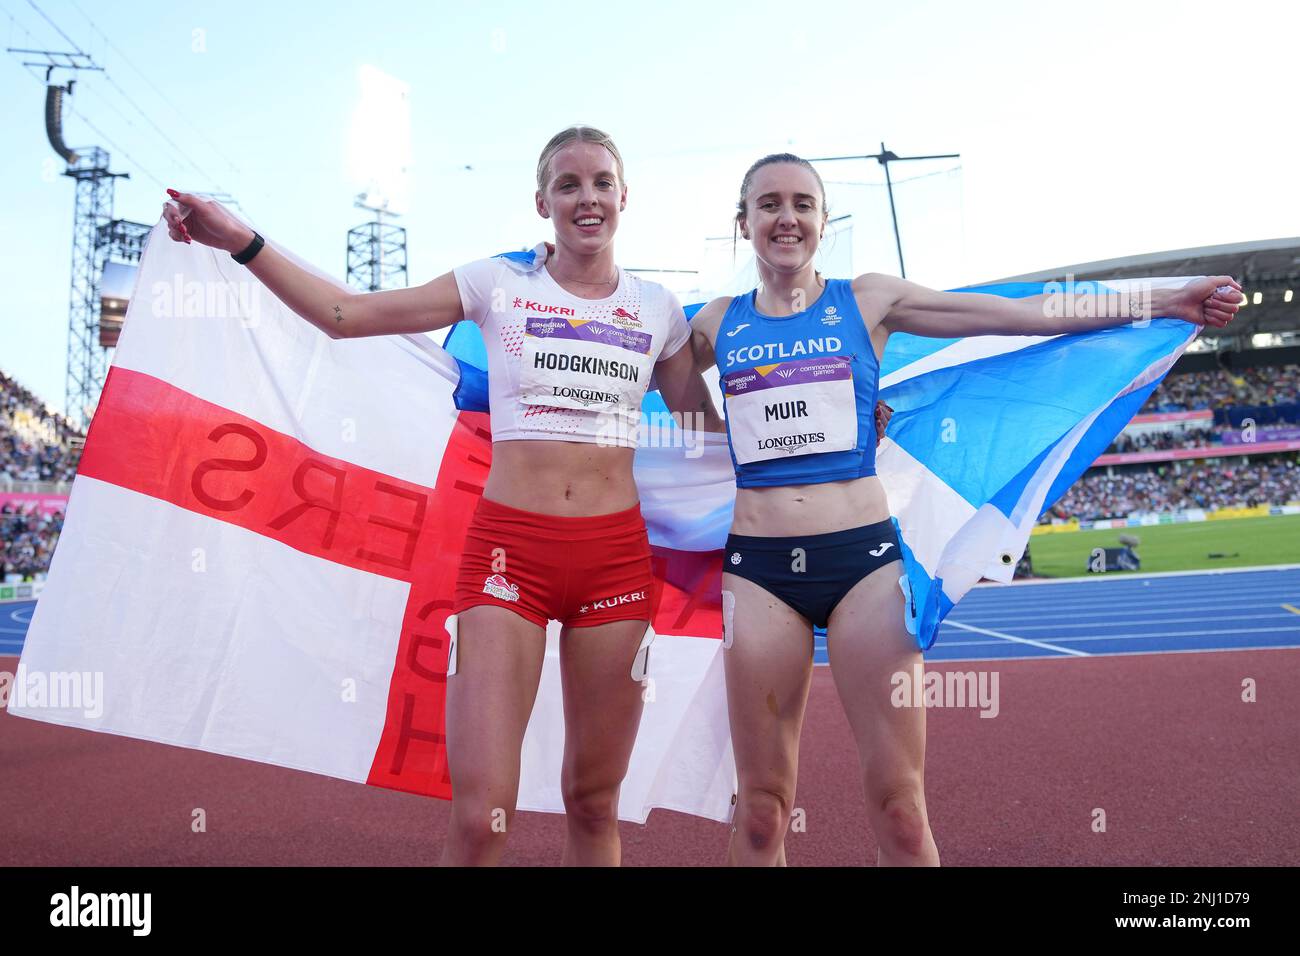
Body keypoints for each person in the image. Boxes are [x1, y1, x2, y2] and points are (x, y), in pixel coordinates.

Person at [162, 125, 726, 866]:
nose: (586, 198)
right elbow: (345, 316)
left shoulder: (658, 309)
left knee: (594, 804)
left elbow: (709, 443)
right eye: (567, 184)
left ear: (624, 196)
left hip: (615, 565)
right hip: (507, 559)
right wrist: (240, 241)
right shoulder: (498, 283)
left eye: (600, 183)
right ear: (541, 200)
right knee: (480, 814)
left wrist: (846, 434)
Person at [686, 152, 1241, 866]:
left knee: (902, 810)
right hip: (759, 571)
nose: (786, 217)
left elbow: (1019, 315)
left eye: (802, 203)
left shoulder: (868, 300)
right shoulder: (712, 324)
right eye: (768, 204)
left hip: (862, 564)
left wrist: (1161, 301)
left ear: (824, 221)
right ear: (744, 224)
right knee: (761, 816)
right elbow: (649, 392)